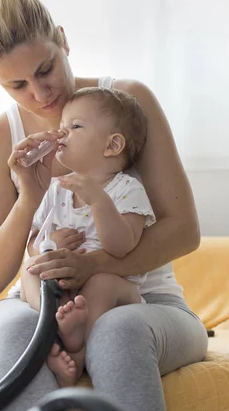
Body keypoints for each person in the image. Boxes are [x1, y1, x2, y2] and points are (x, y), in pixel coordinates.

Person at [0, 0, 208, 411]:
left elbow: (184, 230)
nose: (41, 93)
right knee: (17, 335)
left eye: (45, 69)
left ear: (62, 38)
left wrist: (95, 267)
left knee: (116, 333)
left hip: (146, 300)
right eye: (18, 86)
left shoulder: (125, 104)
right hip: (36, 304)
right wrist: (28, 198)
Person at [19, 86, 156, 388]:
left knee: (101, 283)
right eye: (62, 127)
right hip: (62, 290)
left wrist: (98, 201)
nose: (62, 134)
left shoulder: (126, 189)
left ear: (113, 145)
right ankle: (51, 329)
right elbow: (33, 245)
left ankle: (77, 356)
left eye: (75, 127)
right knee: (29, 270)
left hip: (113, 292)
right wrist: (50, 241)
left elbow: (122, 247)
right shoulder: (56, 188)